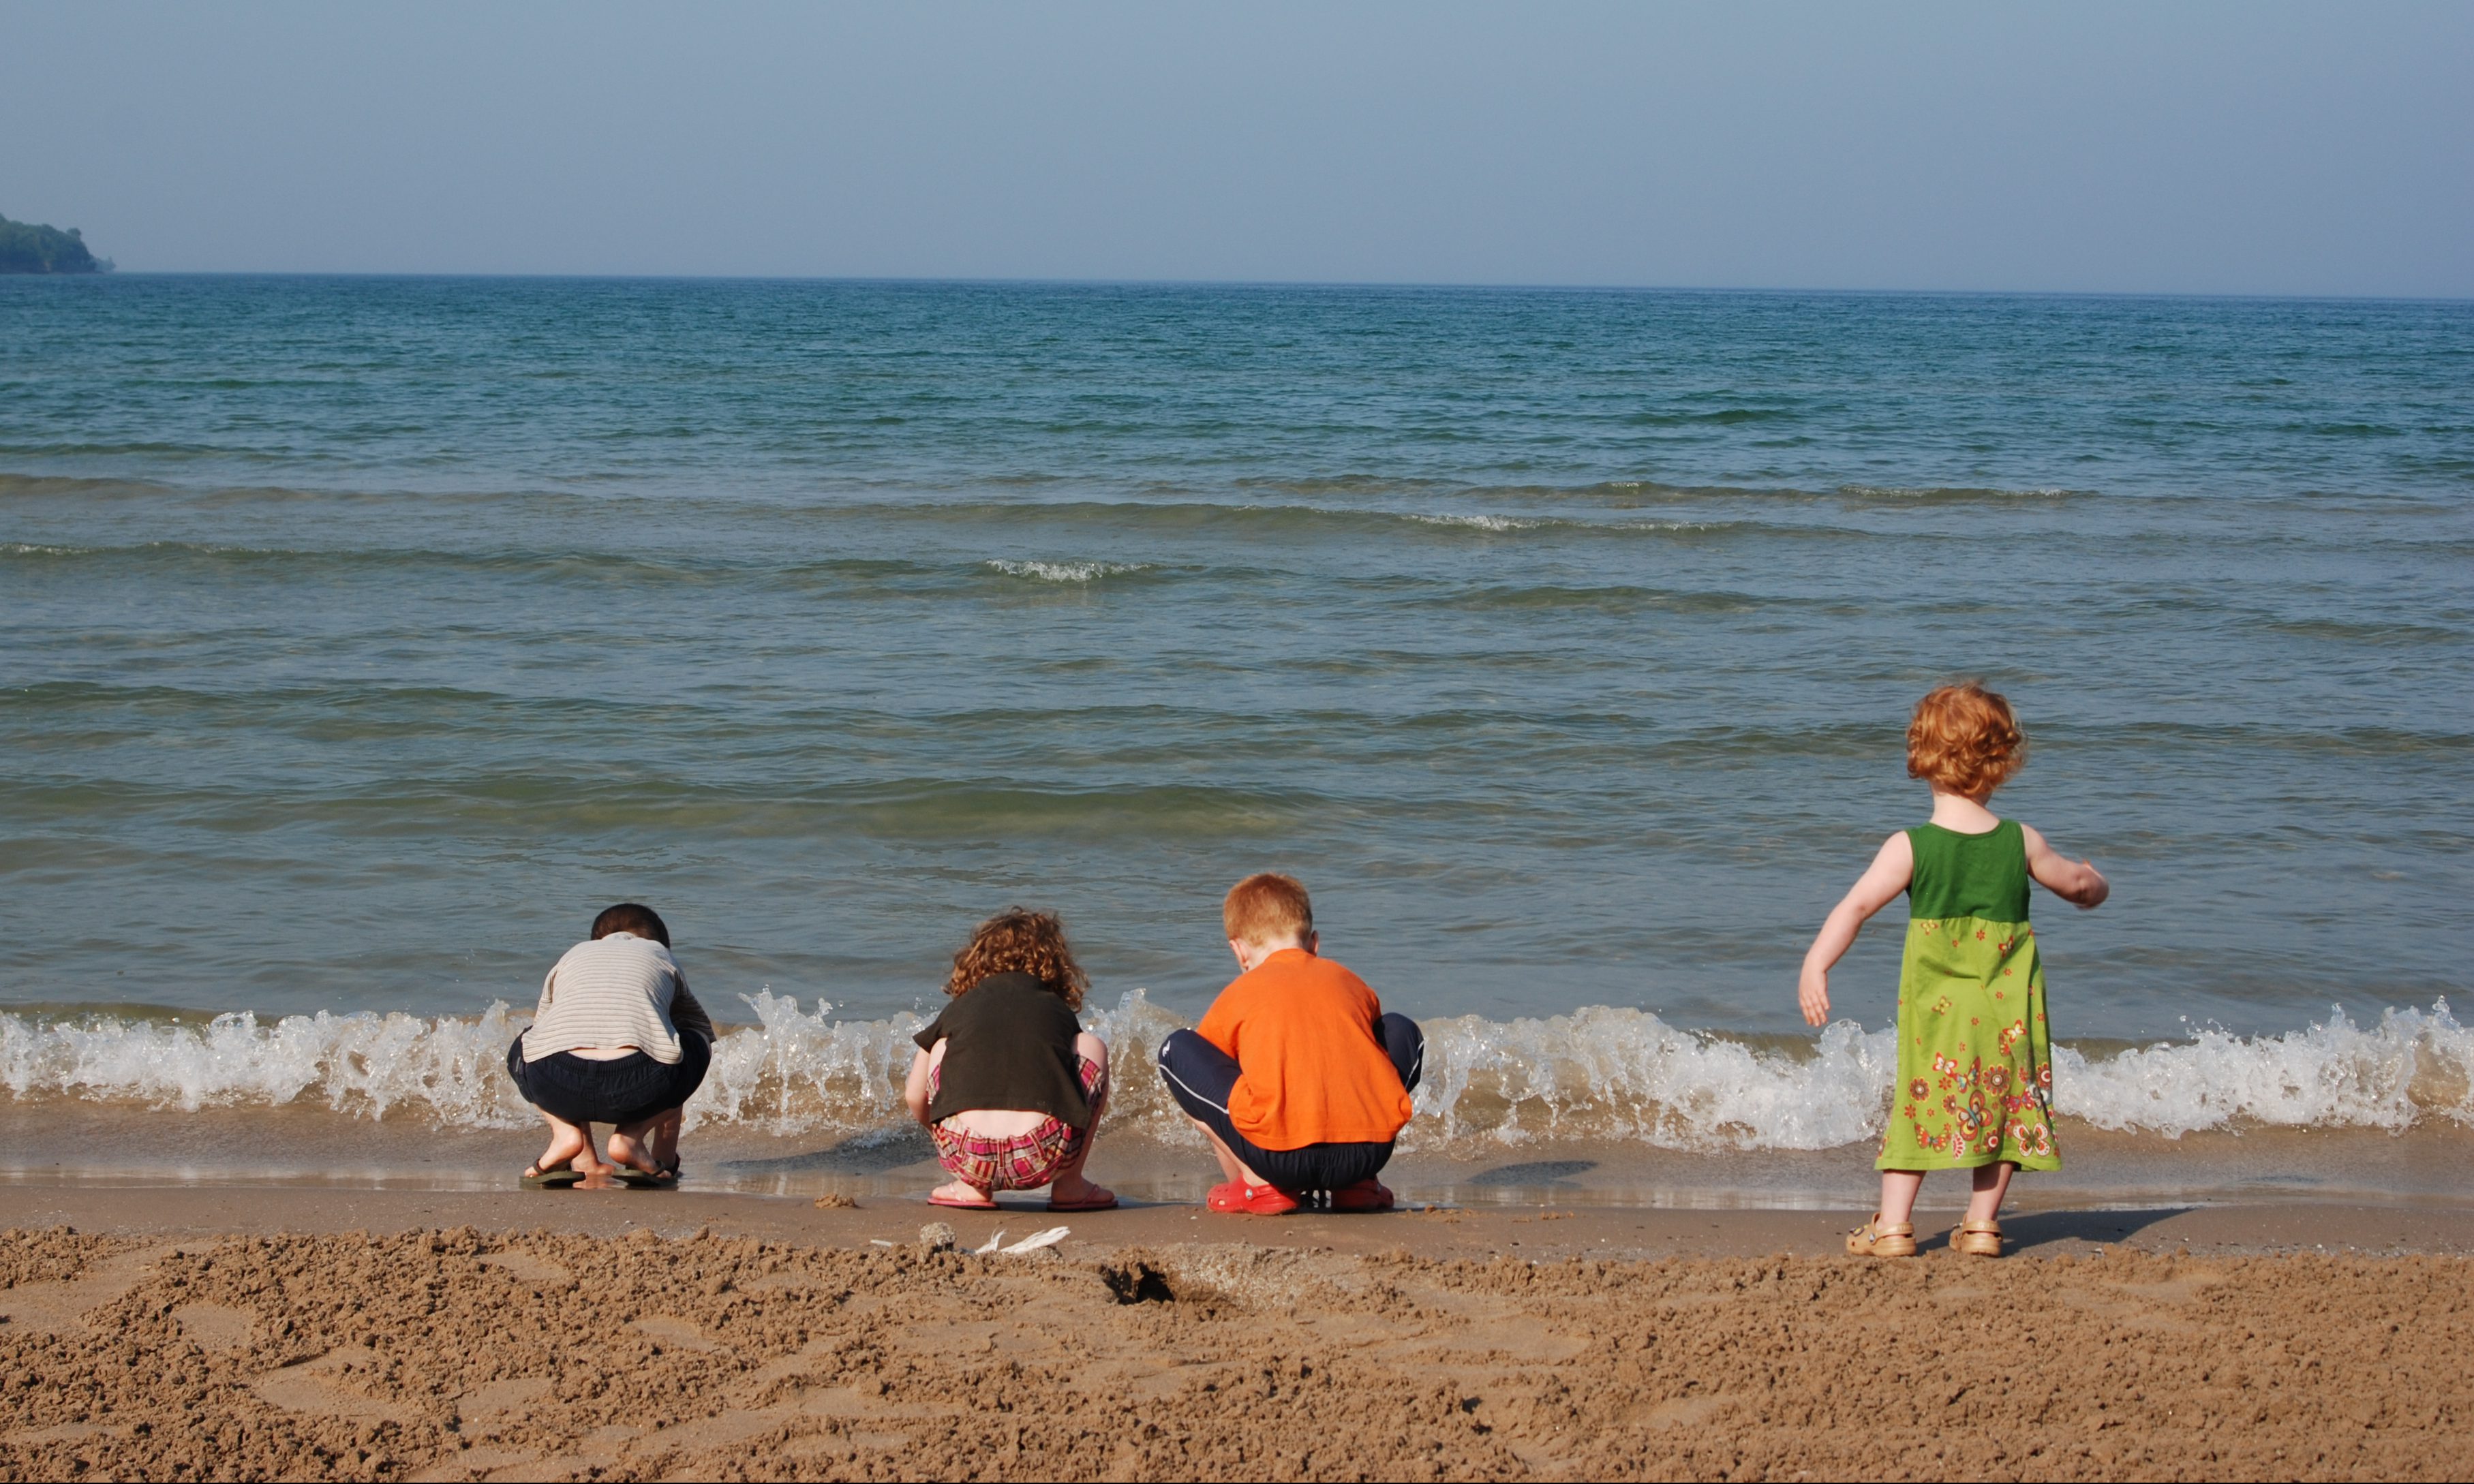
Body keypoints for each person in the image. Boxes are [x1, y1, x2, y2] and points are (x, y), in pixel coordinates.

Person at [1799, 683, 2109, 1257]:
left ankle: (1894, 1226)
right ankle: (1983, 1223)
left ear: (1921, 758)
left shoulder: (1910, 846)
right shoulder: (2021, 841)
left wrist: (1816, 964)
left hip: (1937, 1013)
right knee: (2006, 1104)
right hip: (2009, 1009)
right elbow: (2076, 885)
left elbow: (1856, 907)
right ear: (2002, 760)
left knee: (1919, 1102)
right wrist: (2096, 882)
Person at [1157, 872, 1421, 1215]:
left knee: (1177, 1049)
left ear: (1239, 951)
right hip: (1367, 1153)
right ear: (1314, 943)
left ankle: (1256, 1183)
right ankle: (1358, 1184)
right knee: (1400, 1029)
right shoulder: (1352, 983)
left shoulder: (1240, 992)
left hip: (1277, 1159)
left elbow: (1215, 1077)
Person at [902, 908, 1116, 1212]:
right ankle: (1070, 1185)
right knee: (1091, 1045)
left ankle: (972, 1186)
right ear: (1055, 964)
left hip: (967, 1155)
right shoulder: (1055, 1009)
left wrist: (948, 1137)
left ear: (976, 960)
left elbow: (914, 1096)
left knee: (940, 1046)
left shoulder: (961, 1008)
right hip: (1043, 1155)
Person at [506, 902, 713, 1188]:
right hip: (637, 1086)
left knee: (534, 1041)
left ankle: (569, 1140)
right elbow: (694, 1025)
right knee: (688, 1039)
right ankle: (642, 1147)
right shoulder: (661, 956)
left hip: (556, 1084)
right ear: (658, 943)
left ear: (597, 941)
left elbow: (542, 1032)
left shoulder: (573, 956)